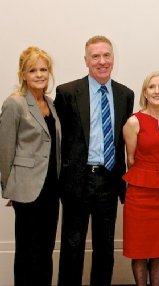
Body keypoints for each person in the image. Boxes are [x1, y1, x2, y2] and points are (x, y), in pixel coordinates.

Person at [54, 35, 134, 286]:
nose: (102, 61)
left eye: (106, 55)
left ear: (113, 58)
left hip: (109, 180)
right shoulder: (67, 92)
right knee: (72, 245)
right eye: (96, 56)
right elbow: (59, 141)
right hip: (77, 180)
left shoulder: (125, 94)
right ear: (86, 60)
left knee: (105, 247)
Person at [0, 46, 61, 286]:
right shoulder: (14, 103)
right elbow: (5, 150)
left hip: (51, 188)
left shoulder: (50, 103)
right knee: (28, 252)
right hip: (27, 189)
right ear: (23, 74)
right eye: (32, 70)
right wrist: (10, 188)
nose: (39, 75)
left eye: (43, 70)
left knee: (45, 250)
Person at [122, 71, 159, 286]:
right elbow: (130, 159)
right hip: (140, 193)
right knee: (139, 250)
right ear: (145, 92)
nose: (157, 91)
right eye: (152, 87)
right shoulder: (133, 122)